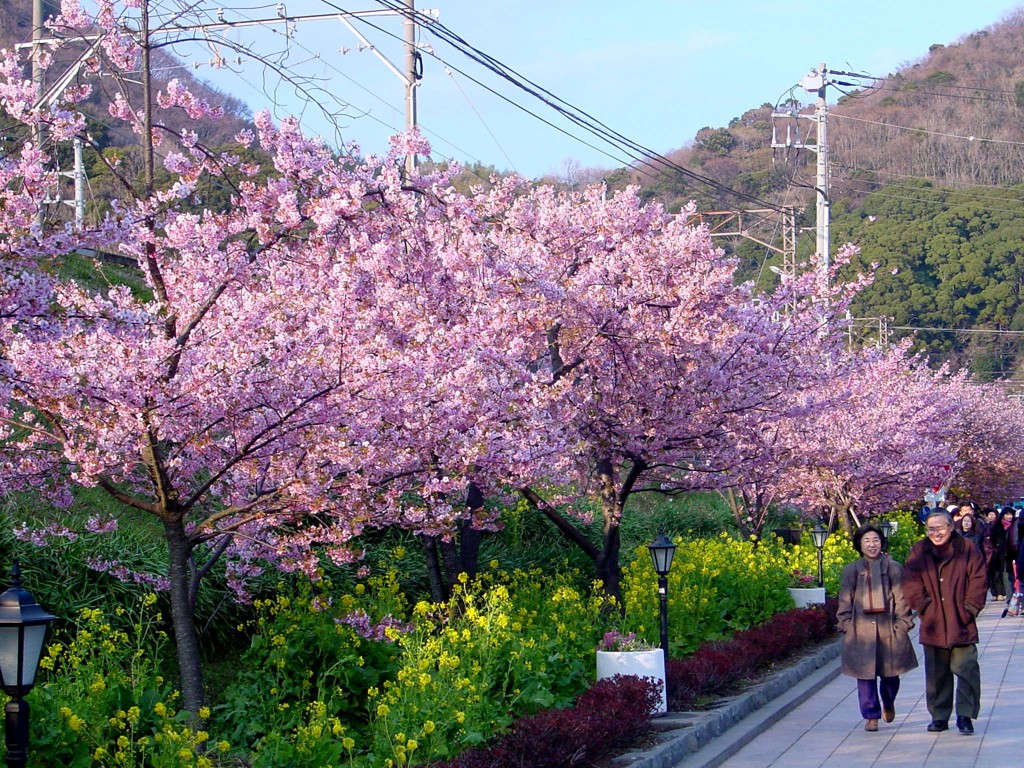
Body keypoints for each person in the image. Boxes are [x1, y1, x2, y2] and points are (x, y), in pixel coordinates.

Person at [903, 510, 988, 735]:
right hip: (933, 622)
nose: (936, 533)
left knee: (967, 669)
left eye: (940, 528)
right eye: (931, 529)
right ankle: (939, 716)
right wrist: (924, 606)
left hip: (961, 621)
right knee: (936, 674)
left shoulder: (967, 549)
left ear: (951, 526)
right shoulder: (920, 551)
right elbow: (910, 582)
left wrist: (969, 609)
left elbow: (979, 580)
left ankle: (965, 715)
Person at [836, 524, 918, 732]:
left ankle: (888, 702)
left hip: (889, 628)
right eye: (867, 541)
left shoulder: (893, 567)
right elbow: (845, 599)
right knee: (865, 677)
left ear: (881, 543)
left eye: (875, 540)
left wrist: (902, 624)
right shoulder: (852, 570)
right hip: (861, 631)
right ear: (859, 545)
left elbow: (901, 598)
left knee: (891, 676)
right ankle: (871, 715)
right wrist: (846, 624)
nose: (872, 545)